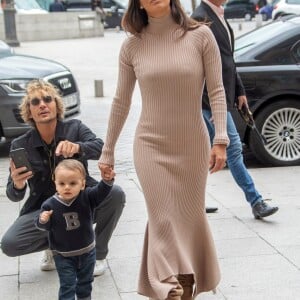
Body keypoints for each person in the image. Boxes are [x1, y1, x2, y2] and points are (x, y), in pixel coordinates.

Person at [98, 0, 229, 298]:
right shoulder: (132, 47)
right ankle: (169, 289)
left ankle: (184, 287)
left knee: (189, 216)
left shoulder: (201, 35)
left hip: (192, 145)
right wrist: (108, 150)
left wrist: (221, 137)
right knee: (163, 218)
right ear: (138, 4)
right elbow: (121, 101)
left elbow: (217, 89)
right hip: (150, 145)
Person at [1, 80, 125, 277]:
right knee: (10, 244)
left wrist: (78, 147)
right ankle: (53, 247)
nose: (42, 104)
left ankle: (97, 255)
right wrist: (17, 184)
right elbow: (14, 196)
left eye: (47, 99)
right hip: (45, 210)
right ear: (29, 112)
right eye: (35, 102)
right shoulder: (20, 144)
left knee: (115, 193)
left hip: (82, 202)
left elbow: (101, 147)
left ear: (56, 105)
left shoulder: (74, 128)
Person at [191, 0, 279, 219]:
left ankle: (193, 203)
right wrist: (212, 107)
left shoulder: (219, 14)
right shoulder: (199, 18)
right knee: (233, 149)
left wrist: (239, 90)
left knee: (203, 153)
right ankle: (256, 201)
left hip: (220, 99)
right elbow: (197, 67)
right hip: (209, 102)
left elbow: (227, 60)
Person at [35, 159, 115, 300]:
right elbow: (44, 227)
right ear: (55, 184)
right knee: (67, 285)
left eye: (72, 183)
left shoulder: (87, 196)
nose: (67, 187)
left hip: (87, 252)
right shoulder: (49, 205)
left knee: (86, 283)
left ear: (83, 184)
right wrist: (43, 219)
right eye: (62, 183)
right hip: (63, 254)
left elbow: (101, 192)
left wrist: (107, 180)